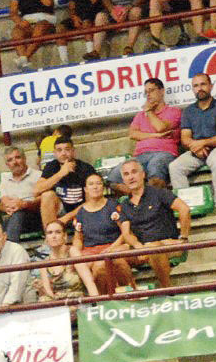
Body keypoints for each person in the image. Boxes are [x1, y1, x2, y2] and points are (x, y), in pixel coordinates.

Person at [114, 158, 192, 291]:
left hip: (168, 243)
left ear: (143, 174)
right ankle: (133, 293)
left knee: (153, 247)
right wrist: (138, 246)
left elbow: (184, 209)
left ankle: (167, 289)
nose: (131, 177)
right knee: (114, 256)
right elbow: (126, 233)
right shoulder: (125, 204)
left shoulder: (159, 193)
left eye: (134, 172)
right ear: (123, 180)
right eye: (126, 174)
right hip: (142, 247)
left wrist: (183, 238)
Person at [169, 73, 216, 210]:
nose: (200, 88)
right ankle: (186, 209)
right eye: (196, 86)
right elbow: (185, 138)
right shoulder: (188, 111)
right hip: (197, 151)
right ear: (192, 89)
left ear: (211, 86)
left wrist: (202, 143)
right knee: (175, 167)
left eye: (203, 84)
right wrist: (196, 147)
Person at [71, 171, 129, 296]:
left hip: (114, 247)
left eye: (98, 183)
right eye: (91, 184)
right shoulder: (80, 212)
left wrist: (111, 249)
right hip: (91, 251)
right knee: (82, 266)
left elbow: (125, 232)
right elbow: (78, 238)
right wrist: (76, 253)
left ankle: (118, 297)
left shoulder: (113, 205)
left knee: (101, 265)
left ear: (103, 187)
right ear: (85, 189)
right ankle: (101, 299)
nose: (95, 187)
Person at [35, 127, 94, 228]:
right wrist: (61, 173)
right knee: (47, 195)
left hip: (82, 212)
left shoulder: (86, 168)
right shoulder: (51, 166)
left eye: (67, 149)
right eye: (59, 150)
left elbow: (92, 201)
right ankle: (51, 236)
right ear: (55, 153)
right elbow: (36, 190)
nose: (63, 153)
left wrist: (67, 218)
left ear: (73, 151)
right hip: (60, 211)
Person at [128, 78, 182, 184]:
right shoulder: (140, 115)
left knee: (155, 166)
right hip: (140, 155)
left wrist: (149, 111)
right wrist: (156, 136)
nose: (148, 95)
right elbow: (132, 134)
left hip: (164, 153)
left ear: (162, 91)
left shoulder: (174, 111)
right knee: (115, 175)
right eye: (146, 92)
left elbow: (160, 127)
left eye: (151, 90)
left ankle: (155, 199)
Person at [7, 0, 58, 70]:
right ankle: (24, 61)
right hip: (28, 20)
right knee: (16, 32)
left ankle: (24, 58)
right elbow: (13, 12)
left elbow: (48, 2)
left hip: (46, 18)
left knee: (40, 27)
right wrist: (20, 22)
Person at [32, 220, 95, 300]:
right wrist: (42, 289)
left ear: (64, 236)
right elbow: (49, 294)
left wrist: (96, 304)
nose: (53, 236)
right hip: (58, 305)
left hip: (78, 301)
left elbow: (89, 282)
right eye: (50, 233)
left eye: (57, 232)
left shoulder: (73, 252)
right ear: (46, 238)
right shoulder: (44, 263)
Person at [0, 145, 43, 242]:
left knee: (18, 214)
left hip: (34, 217)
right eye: (10, 160)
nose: (15, 162)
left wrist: (23, 204)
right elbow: (3, 202)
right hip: (13, 218)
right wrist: (7, 207)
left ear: (24, 159)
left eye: (18, 157)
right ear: (7, 164)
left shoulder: (38, 175)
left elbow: (43, 199)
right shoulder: (5, 178)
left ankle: (10, 248)